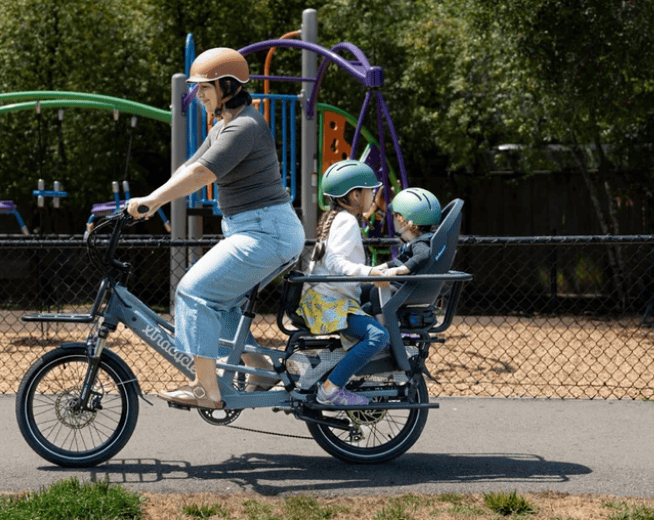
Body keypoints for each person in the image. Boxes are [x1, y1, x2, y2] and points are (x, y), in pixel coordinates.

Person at [127, 46, 306, 409]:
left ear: (227, 86)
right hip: (254, 229)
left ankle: (205, 388)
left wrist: (156, 201)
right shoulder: (225, 125)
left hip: (267, 231)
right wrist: (150, 197)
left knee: (193, 291)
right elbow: (189, 166)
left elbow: (202, 174)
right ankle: (258, 370)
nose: (199, 95)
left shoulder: (245, 126)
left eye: (206, 88)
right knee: (219, 306)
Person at [297, 159, 390, 407]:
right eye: (370, 190)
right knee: (377, 336)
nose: (373, 195)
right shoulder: (347, 221)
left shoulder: (337, 217)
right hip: (329, 303)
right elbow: (337, 263)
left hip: (322, 299)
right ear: (355, 195)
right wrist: (370, 273)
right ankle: (331, 389)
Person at [364, 187, 442, 318]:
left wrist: (399, 270)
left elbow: (423, 255)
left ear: (406, 222)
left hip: (410, 290)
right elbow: (396, 262)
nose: (393, 220)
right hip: (407, 287)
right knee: (365, 291)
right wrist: (376, 269)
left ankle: (386, 330)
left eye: (396, 216)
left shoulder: (420, 243)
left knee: (376, 292)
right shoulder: (415, 242)